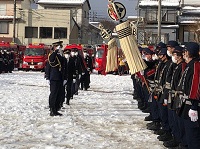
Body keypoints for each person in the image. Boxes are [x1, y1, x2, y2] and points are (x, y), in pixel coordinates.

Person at [176, 42, 200, 149]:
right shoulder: (189, 65)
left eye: (185, 51)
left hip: (192, 106)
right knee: (188, 134)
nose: (183, 54)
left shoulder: (195, 65)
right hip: (186, 105)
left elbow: (195, 86)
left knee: (193, 137)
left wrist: (194, 106)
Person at [45, 41, 64, 116]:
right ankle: (52, 109)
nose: (59, 48)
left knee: (58, 94)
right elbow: (52, 60)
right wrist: (55, 51)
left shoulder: (59, 55)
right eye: (58, 47)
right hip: (54, 78)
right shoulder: (52, 55)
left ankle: (56, 109)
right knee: (53, 94)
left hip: (59, 77)